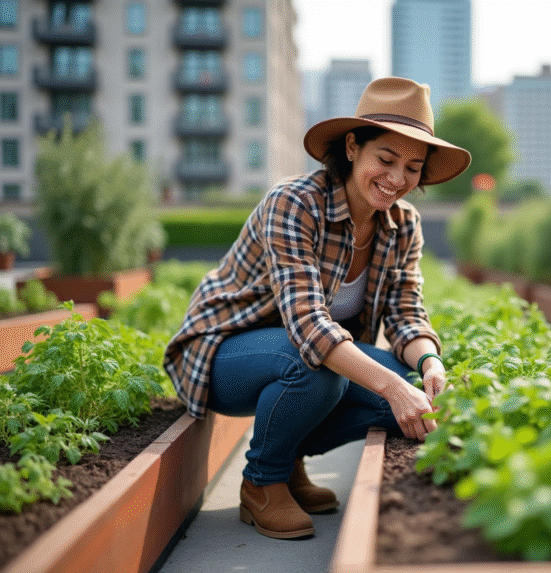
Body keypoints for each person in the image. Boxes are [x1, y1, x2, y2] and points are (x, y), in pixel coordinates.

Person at [163, 77, 471, 539]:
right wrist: (389, 385)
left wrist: (429, 364)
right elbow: (308, 326)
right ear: (352, 147)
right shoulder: (294, 203)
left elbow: (406, 314)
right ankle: (263, 483)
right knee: (317, 367)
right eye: (385, 159)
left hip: (301, 352)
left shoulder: (403, 224)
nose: (396, 179)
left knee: (413, 398)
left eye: (411, 167)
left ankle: (287, 464)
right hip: (223, 353)